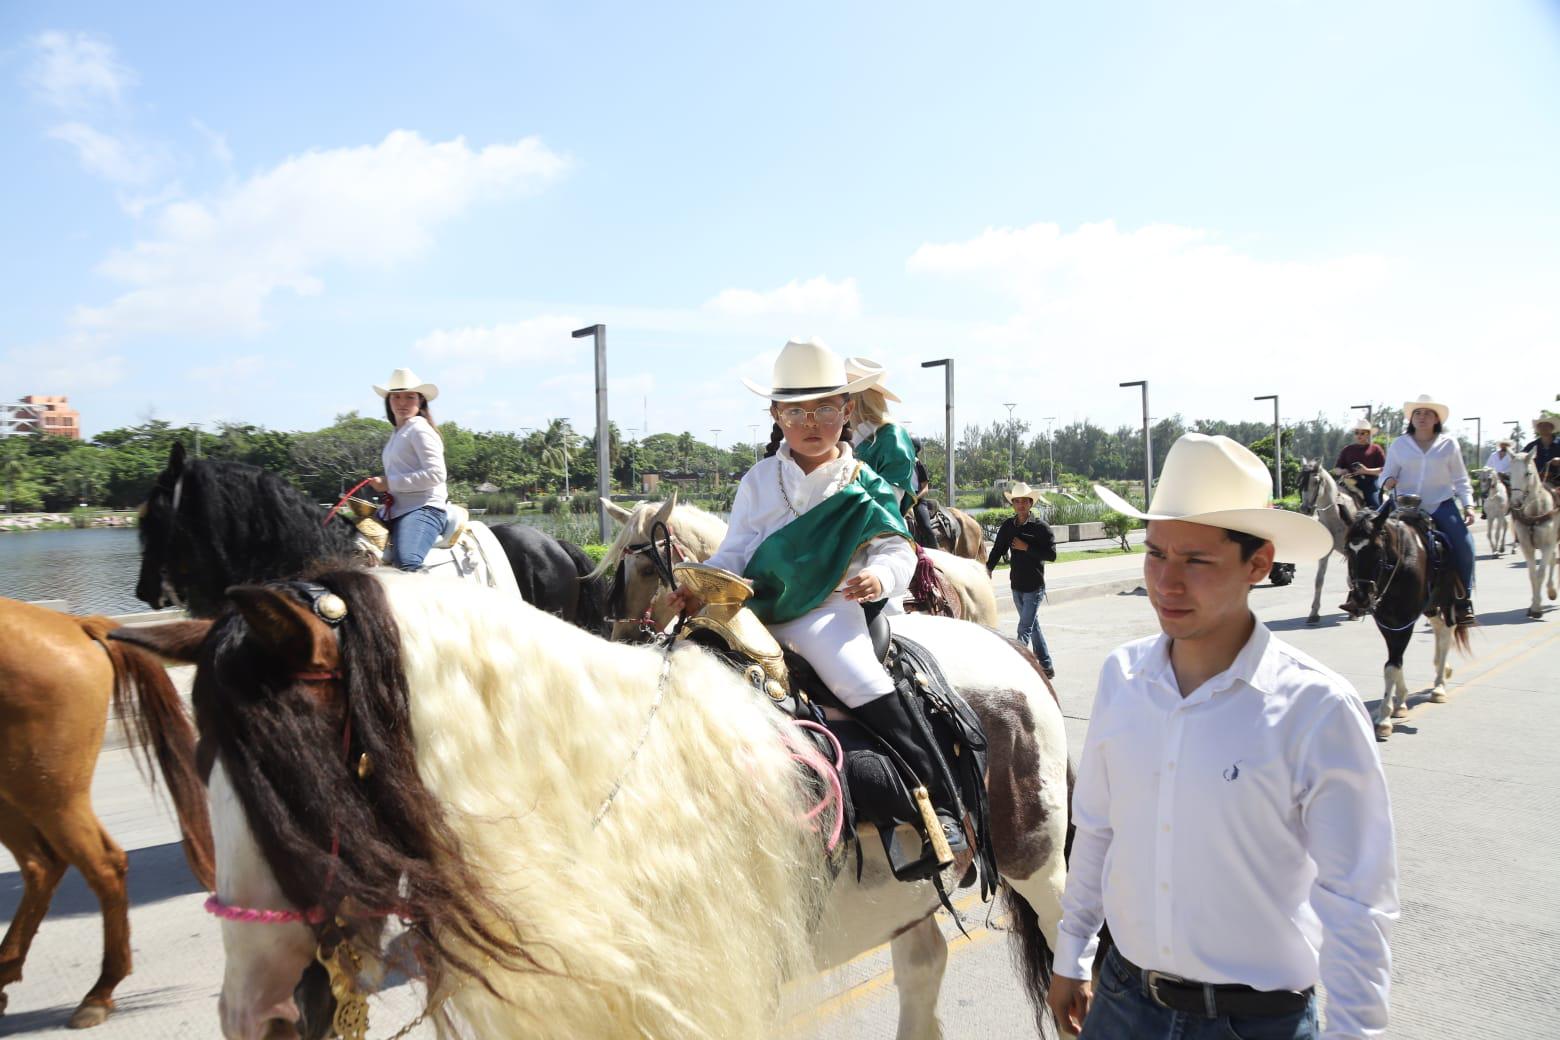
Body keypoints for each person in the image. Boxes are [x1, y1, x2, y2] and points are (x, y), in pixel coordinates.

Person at [1048, 433, 1397, 1040]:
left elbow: (1357, 902)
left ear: (1258, 563)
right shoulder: (1123, 678)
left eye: (1197, 560)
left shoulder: (1315, 709)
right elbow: (1098, 828)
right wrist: (1072, 952)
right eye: (1156, 554)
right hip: (1124, 1002)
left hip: (1255, 1023)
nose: (1167, 582)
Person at [666, 339, 964, 854]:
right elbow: (734, 552)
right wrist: (695, 585)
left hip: (829, 613)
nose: (811, 422)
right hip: (755, 612)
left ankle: (938, 796)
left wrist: (880, 577)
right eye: (796, 411)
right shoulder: (759, 479)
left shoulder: (862, 482)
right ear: (776, 415)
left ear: (846, 412)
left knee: (858, 678)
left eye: (824, 408)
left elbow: (896, 549)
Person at [1380, 394, 1477, 626]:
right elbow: (1384, 475)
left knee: (1465, 546)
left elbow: (1461, 479)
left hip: (1440, 505)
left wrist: (1469, 504)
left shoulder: (1449, 444)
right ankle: (1366, 593)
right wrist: (1387, 482)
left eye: (1428, 413)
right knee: (1372, 541)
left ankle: (1463, 600)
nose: (1422, 417)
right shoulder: (1399, 445)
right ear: (1411, 418)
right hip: (1405, 507)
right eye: (1418, 413)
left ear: (1436, 419)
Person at [367, 367, 448, 572]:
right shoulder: (399, 432)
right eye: (396, 397)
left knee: (407, 562)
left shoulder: (420, 429)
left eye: (409, 397)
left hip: (424, 508)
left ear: (420, 401)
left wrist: (389, 483)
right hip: (396, 510)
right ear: (389, 402)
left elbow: (436, 474)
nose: (402, 403)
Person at [985, 482, 1057, 678]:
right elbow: (998, 548)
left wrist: (1027, 548)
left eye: (1024, 501)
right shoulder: (1008, 526)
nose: (1020, 505)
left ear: (1030, 503)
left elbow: (1051, 555)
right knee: (1033, 626)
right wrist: (988, 568)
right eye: (1016, 501)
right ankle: (1046, 665)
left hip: (1034, 586)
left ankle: (1018, 667)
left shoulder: (1041, 527)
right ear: (1013, 504)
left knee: (1024, 628)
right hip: (1016, 585)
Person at [1333, 418, 1385, 508]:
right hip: (1349, 482)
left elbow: (1383, 470)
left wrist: (1366, 471)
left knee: (1374, 504)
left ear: (1368, 434)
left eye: (1362, 433)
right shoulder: (1347, 449)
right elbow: (1336, 469)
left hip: (1370, 483)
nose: (1359, 435)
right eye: (1356, 432)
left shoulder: (1376, 449)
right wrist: (1343, 471)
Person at [1521, 412, 1560, 486]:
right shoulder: (1531, 446)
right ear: (1538, 429)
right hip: (1535, 482)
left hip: (1557, 482)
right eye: (1540, 425)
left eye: (1546, 425)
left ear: (1552, 427)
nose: (1543, 427)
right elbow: (1521, 459)